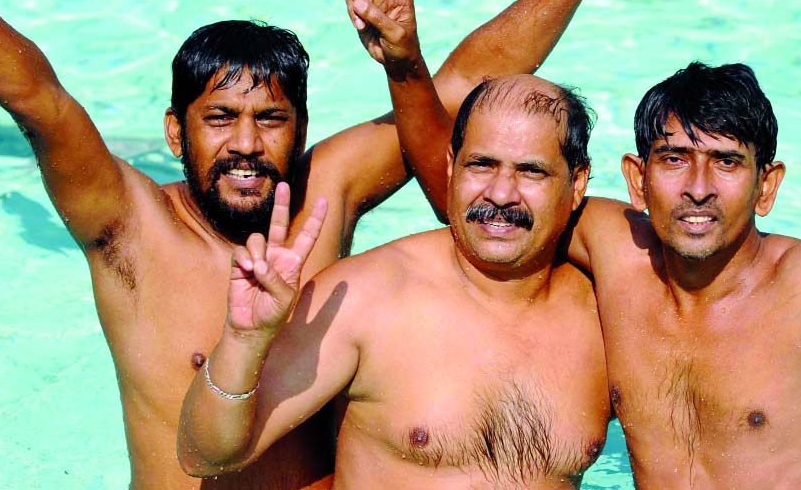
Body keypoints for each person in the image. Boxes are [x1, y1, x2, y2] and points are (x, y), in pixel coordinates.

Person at [0, 0, 686, 490]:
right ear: (175, 133)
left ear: (301, 126)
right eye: (219, 119)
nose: (246, 144)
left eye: (270, 120)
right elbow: (37, 98)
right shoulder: (127, 224)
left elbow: (462, 90)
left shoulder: (329, 189)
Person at [378, 1, 801, 488]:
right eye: (675, 159)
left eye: (727, 162)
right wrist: (406, 65)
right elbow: (480, 206)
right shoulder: (618, 250)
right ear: (637, 179)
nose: (698, 188)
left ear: (767, 186)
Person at [178, 75, 612, 489]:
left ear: (576, 184)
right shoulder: (366, 297)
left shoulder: (604, 319)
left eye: (531, 172)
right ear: (451, 166)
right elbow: (204, 456)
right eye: (481, 165)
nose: (501, 194)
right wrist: (244, 340)